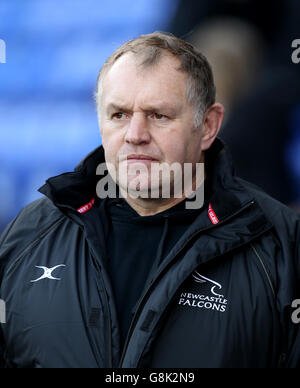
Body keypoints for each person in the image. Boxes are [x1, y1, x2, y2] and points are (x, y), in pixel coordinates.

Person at [0, 32, 299, 368]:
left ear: (209, 126)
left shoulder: (280, 245)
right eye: (119, 115)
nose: (135, 135)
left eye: (158, 115)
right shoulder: (29, 235)